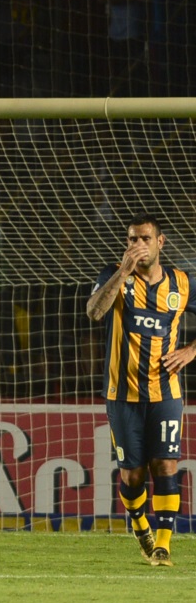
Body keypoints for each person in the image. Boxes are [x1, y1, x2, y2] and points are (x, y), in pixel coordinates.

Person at [85, 212, 196, 567]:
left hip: (166, 393)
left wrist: (191, 351)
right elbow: (94, 312)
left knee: (165, 465)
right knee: (132, 476)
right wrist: (122, 273)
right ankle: (139, 525)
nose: (138, 245)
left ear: (160, 242)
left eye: (145, 238)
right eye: (132, 239)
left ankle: (162, 545)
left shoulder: (182, 284)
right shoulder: (113, 275)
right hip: (122, 395)